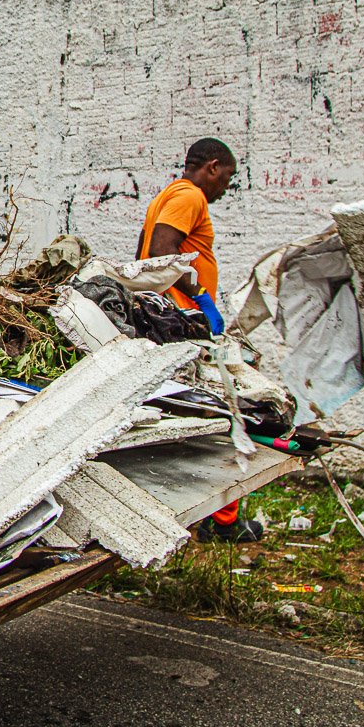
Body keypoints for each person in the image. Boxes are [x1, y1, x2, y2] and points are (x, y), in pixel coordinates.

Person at [136, 137, 260, 542]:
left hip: (170, 318)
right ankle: (222, 523)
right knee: (226, 409)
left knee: (202, 413)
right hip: (181, 321)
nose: (227, 185)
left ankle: (205, 515)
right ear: (211, 166)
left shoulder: (170, 195)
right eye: (227, 175)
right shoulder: (190, 197)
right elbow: (162, 253)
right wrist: (202, 300)